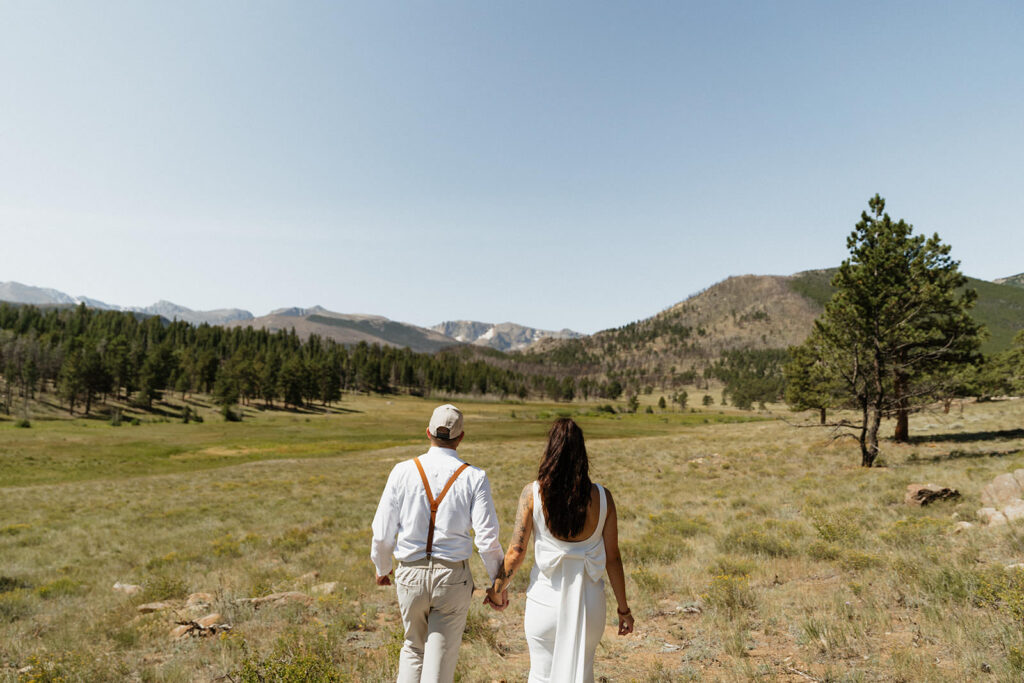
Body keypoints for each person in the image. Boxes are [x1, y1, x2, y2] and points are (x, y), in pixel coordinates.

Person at [488, 418, 634, 683]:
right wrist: (623, 609)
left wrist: (497, 590)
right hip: (590, 603)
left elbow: (516, 551)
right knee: (583, 672)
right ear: (582, 453)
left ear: (550, 451)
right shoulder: (603, 498)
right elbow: (613, 558)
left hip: (546, 601)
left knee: (542, 675)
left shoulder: (532, 494)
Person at [371, 403, 507, 683]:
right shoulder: (474, 477)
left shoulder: (401, 471)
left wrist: (382, 567)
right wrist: (498, 585)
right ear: (461, 438)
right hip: (452, 577)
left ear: (428, 433)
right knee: (440, 659)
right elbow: (486, 539)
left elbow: (383, 533)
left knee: (412, 648)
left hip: (409, 573)